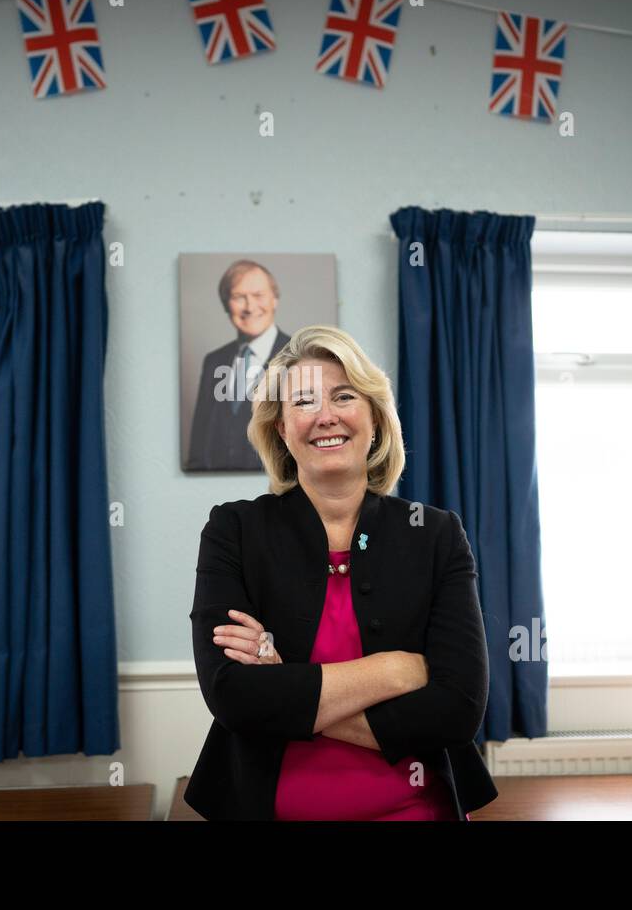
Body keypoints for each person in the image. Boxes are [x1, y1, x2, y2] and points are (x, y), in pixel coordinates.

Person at [184, 324, 499, 820]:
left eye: (344, 396)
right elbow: (234, 697)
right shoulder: (234, 529)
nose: (325, 416)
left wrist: (286, 684)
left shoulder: (434, 534)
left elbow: (457, 711)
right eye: (304, 403)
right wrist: (395, 670)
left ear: (374, 418)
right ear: (282, 429)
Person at [186, 260, 291, 470]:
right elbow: (199, 442)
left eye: (258, 295)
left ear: (275, 300)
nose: (250, 307)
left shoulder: (300, 358)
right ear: (226, 304)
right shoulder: (214, 361)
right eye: (238, 297)